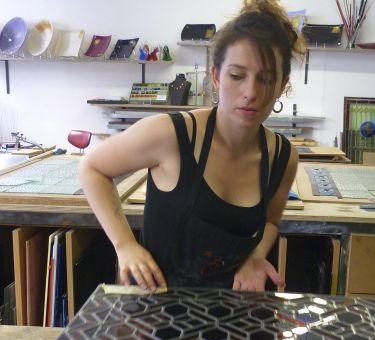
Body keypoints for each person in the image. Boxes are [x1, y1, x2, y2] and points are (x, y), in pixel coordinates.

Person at [79, 0, 305, 292]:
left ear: (282, 85)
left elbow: (271, 222)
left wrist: (256, 256)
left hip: (230, 308)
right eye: (237, 76)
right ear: (216, 76)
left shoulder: (282, 158)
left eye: (266, 79)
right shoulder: (172, 135)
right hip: (155, 305)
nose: (251, 92)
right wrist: (124, 244)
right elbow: (92, 168)